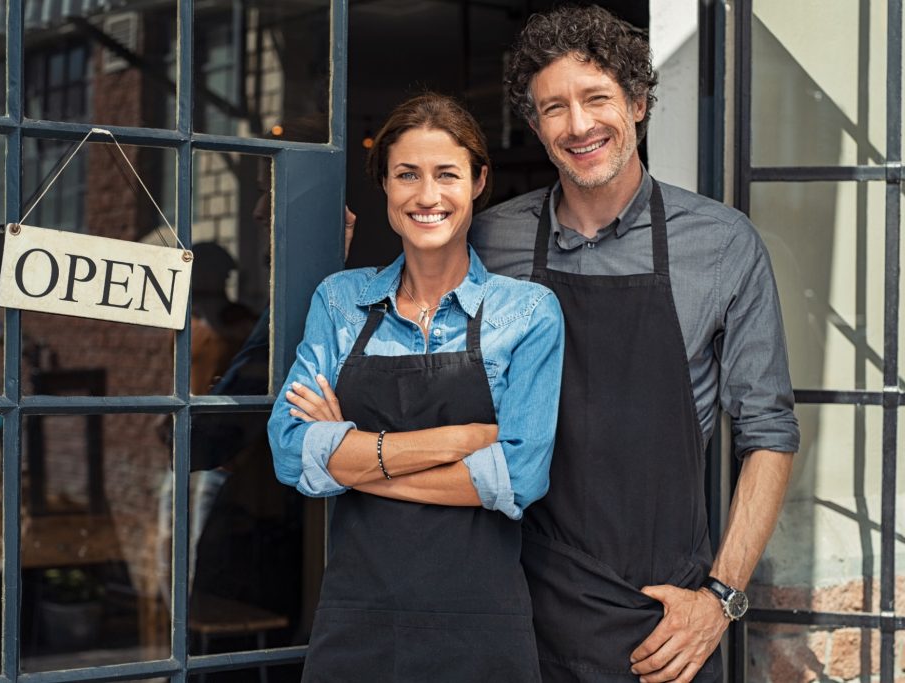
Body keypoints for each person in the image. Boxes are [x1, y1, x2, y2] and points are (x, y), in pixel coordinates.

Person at [467, 5, 800, 682]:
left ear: (639, 102)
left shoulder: (722, 243)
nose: (578, 124)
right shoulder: (488, 240)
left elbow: (768, 432)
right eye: (553, 107)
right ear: (535, 125)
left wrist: (721, 597)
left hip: (663, 624)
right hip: (514, 605)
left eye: (596, 98)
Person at [267, 93, 563, 681]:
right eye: (407, 175)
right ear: (385, 186)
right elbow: (288, 451)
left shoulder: (528, 313)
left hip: (481, 627)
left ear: (479, 182)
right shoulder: (341, 301)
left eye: (446, 174)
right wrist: (461, 440)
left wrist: (353, 460)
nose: (427, 196)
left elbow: (520, 477)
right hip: (358, 620)